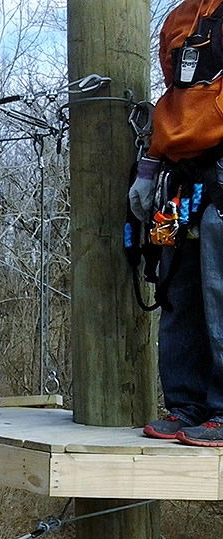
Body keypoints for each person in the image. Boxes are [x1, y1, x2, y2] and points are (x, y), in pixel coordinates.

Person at [130, 0, 223, 445]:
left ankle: (222, 408)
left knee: (219, 291)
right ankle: (187, 404)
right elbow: (177, 98)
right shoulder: (181, 18)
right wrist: (150, 163)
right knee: (179, 290)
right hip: (182, 172)